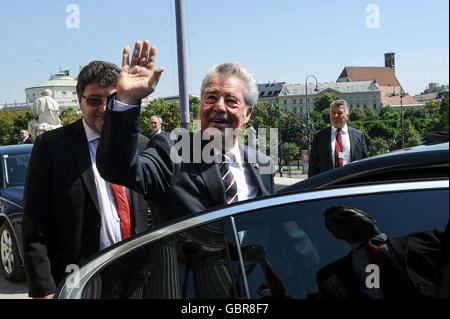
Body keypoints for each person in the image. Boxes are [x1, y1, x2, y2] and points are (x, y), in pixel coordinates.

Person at [97, 40, 275, 227]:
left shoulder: (262, 164)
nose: (219, 107)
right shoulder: (172, 149)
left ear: (247, 113)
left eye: (231, 101)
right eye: (211, 98)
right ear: (200, 106)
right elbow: (117, 169)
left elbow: (276, 230)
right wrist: (127, 100)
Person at [22, 61, 151, 299]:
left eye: (112, 100)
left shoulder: (141, 145)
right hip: (81, 280)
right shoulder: (51, 147)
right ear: (80, 101)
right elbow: (34, 222)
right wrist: (44, 289)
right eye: (94, 100)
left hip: (137, 281)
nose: (103, 108)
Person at [316, 205, 443, 299]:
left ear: (371, 219)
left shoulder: (431, 238)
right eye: (333, 221)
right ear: (335, 235)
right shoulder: (329, 275)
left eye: (345, 213)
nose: (340, 219)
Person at [308, 100, 368, 178]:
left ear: (347, 116)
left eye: (339, 113)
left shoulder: (358, 136)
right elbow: (313, 165)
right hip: (327, 185)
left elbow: (365, 162)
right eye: (333, 113)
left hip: (352, 184)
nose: (336, 116)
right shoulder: (319, 136)